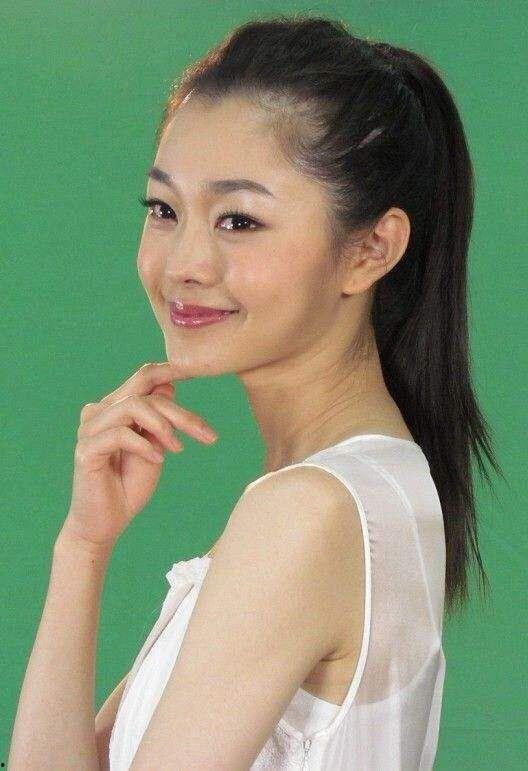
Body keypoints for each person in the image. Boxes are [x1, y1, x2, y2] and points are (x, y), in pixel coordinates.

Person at [9, 13, 503, 771]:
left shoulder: (308, 512)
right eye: (164, 210)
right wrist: (84, 545)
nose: (185, 263)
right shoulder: (361, 489)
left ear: (371, 249)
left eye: (238, 220)